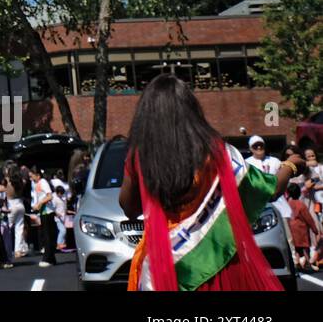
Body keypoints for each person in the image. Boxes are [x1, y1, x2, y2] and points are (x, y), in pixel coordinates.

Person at [119, 75, 306, 290]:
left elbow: (129, 209)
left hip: (164, 264)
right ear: (191, 109)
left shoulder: (140, 156)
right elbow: (267, 188)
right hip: (215, 259)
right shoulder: (214, 151)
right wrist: (290, 166)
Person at [285, 186, 319, 272]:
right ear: (299, 193)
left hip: (291, 227)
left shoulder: (288, 204)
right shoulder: (301, 204)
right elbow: (308, 218)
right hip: (301, 229)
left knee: (296, 248)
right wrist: (314, 229)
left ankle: (297, 263)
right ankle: (307, 264)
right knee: (304, 248)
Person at [29, 166, 56, 267]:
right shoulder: (36, 184)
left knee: (47, 235)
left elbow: (50, 195)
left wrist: (40, 203)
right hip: (43, 212)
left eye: (32, 176)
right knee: (46, 235)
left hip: (47, 211)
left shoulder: (43, 182)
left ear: (38, 175)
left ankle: (47, 258)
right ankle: (51, 258)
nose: (31, 178)